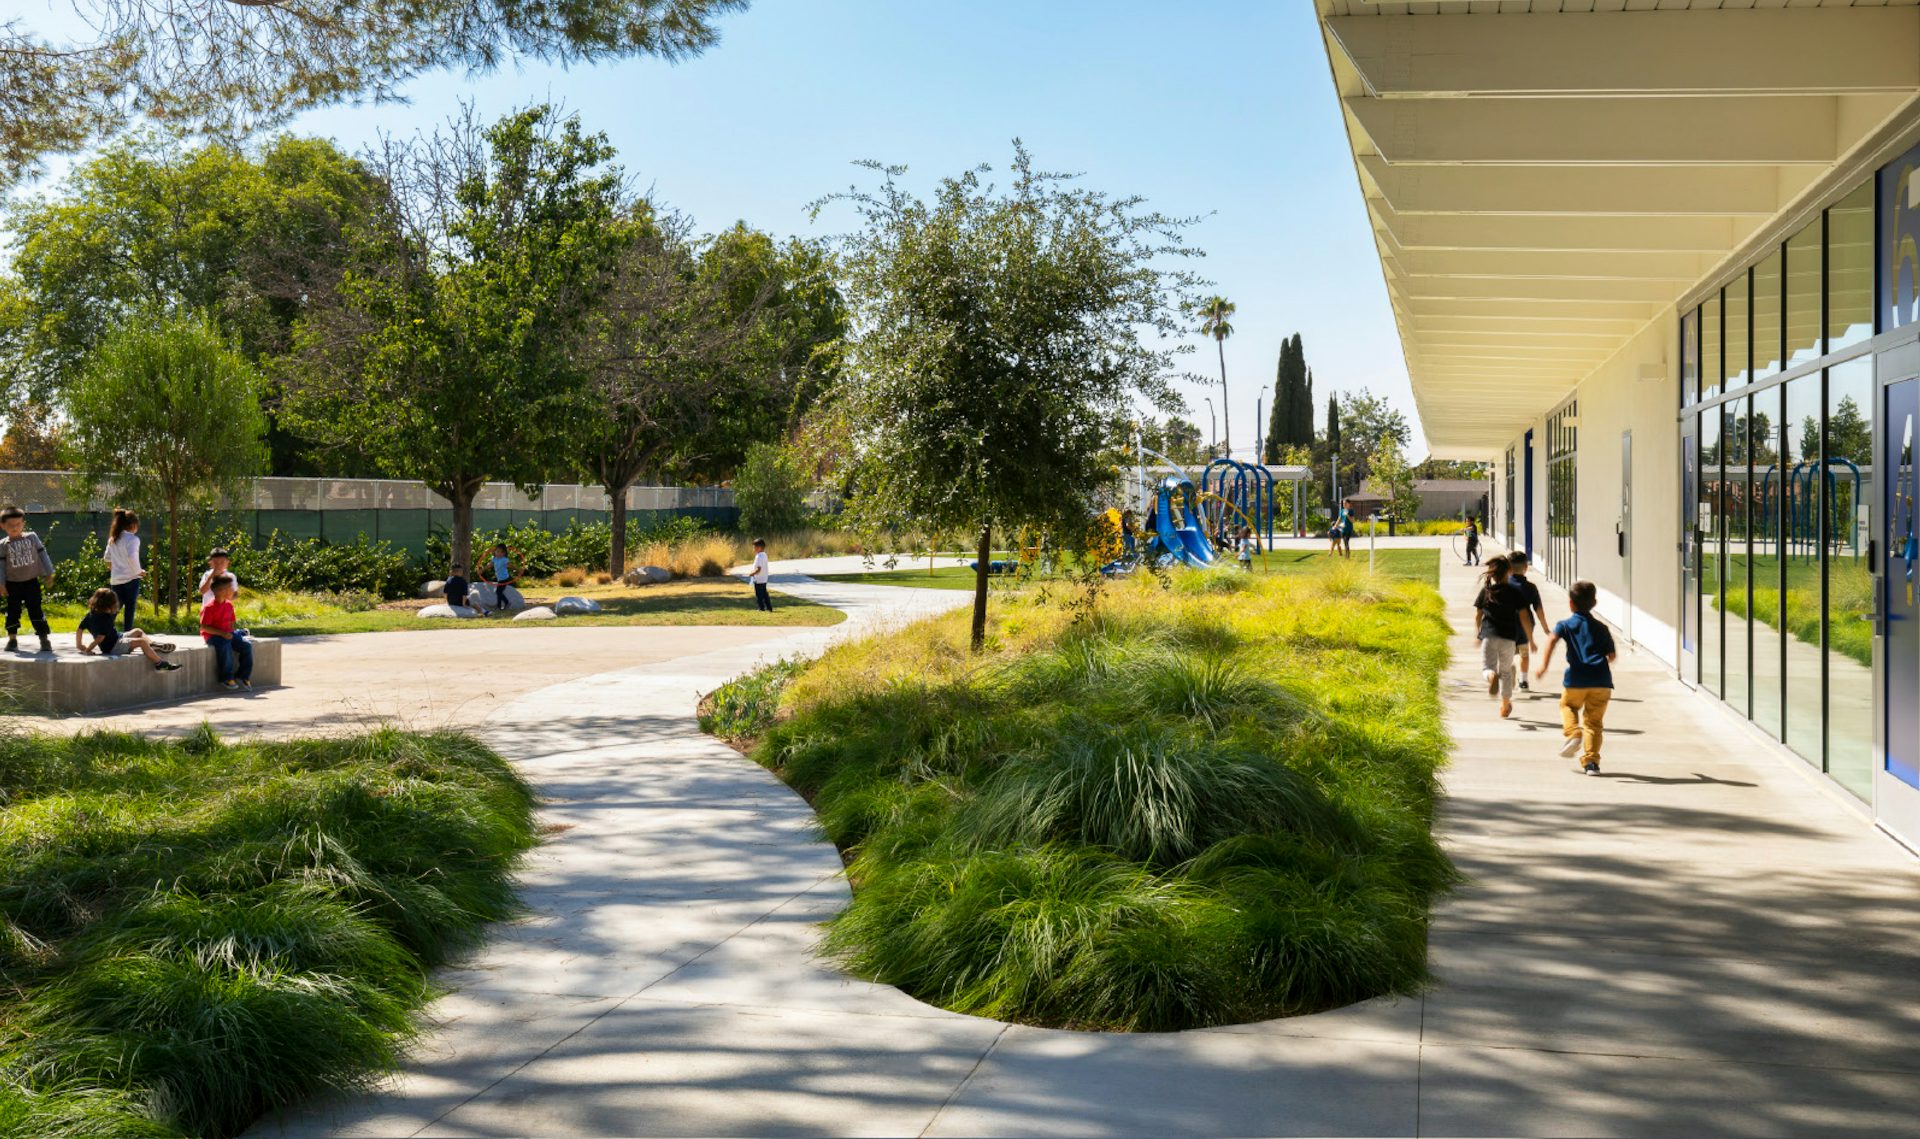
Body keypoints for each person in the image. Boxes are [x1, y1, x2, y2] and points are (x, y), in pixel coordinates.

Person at [1535, 579, 1618, 775]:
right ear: (1594, 603)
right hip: (1602, 681)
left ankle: (1573, 733)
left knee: (1568, 706)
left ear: (1570, 603)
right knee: (1594, 723)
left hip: (1576, 679)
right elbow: (1612, 656)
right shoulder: (1602, 628)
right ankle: (1591, 764)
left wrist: (1543, 666)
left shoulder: (1565, 625)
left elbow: (1551, 640)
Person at [1474, 554, 1527, 720]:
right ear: (1509, 572)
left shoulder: (1487, 591)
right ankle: (1505, 705)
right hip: (1509, 638)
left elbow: (1478, 614)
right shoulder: (1514, 592)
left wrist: (1478, 633)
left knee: (1487, 667)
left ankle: (1491, 677)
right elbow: (1524, 615)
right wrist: (1529, 637)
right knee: (1506, 672)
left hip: (1489, 636)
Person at [76, 588, 179, 671]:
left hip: (116, 637)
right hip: (113, 646)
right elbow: (99, 639)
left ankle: (152, 645)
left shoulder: (90, 614)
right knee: (142, 642)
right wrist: (88, 650)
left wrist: (79, 645)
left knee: (138, 631)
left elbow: (79, 629)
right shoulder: (105, 619)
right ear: (109, 605)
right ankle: (159, 663)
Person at [0, 504, 55, 654]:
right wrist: (1, 583)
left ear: (23, 523)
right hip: (13, 585)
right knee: (12, 611)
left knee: (35, 610)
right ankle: (12, 640)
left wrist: (49, 573)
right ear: (3, 525)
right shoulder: (3, 545)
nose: (15, 527)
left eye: (18, 524)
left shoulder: (32, 537)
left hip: (31, 582)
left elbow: (43, 554)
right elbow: (1, 566)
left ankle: (44, 639)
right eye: (11, 525)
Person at [199, 573, 253, 690]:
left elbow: (231, 623)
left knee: (246, 645)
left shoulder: (229, 605)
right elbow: (204, 627)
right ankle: (226, 678)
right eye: (230, 588)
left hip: (227, 633)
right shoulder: (209, 608)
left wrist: (231, 633)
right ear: (220, 591)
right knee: (225, 645)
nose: (233, 590)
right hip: (213, 636)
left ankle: (243, 676)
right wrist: (223, 634)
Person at [1508, 551, 1548, 692]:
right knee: (1524, 654)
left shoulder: (1503, 585)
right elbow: (1539, 610)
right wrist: (1545, 628)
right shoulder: (1531, 587)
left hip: (1507, 625)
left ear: (1508, 567)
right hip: (1526, 628)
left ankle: (1508, 672)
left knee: (1507, 653)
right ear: (1526, 567)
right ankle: (1523, 681)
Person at [104, 508, 147, 631]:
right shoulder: (133, 539)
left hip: (116, 579)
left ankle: (104, 629)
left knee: (115, 607)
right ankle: (128, 633)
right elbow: (132, 557)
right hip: (131, 579)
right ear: (133, 525)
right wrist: (139, 571)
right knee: (130, 607)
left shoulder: (113, 539)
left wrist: (116, 569)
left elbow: (107, 559)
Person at [485, 543, 517, 614]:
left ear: (504, 553)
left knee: (498, 592)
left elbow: (510, 565)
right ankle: (504, 604)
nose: (498, 553)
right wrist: (482, 570)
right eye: (497, 551)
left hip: (505, 578)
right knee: (498, 592)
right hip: (499, 579)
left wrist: (517, 569)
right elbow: (489, 565)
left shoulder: (504, 560)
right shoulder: (494, 559)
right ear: (495, 552)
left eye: (500, 552)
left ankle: (500, 606)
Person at [748, 538, 773, 612]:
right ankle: (769, 607)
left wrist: (752, 573)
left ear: (759, 548)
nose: (753, 549)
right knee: (765, 594)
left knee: (759, 595)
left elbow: (758, 569)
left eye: (754, 547)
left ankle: (761, 608)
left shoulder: (759, 556)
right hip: (764, 579)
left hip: (759, 579)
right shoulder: (764, 555)